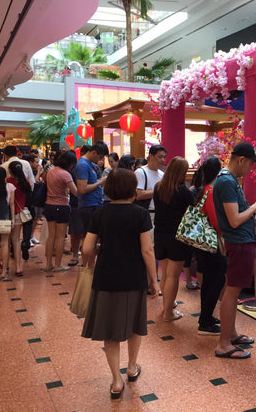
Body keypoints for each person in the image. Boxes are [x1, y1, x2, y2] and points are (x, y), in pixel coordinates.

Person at [81, 168, 158, 400]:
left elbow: (86, 249)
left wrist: (103, 250)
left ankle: (116, 381)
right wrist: (154, 280)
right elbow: (147, 250)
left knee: (110, 331)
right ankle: (132, 368)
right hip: (134, 277)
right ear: (132, 188)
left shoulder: (100, 214)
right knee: (135, 324)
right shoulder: (140, 214)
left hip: (106, 277)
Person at [212, 142, 256, 359]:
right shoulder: (227, 182)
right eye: (250, 164)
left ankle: (231, 333)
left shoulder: (228, 180)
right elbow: (235, 220)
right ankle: (223, 344)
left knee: (231, 287)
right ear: (241, 160)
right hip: (239, 242)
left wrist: (255, 210)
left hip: (240, 241)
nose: (250, 169)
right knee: (233, 291)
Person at [153, 156, 194, 321]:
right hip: (177, 236)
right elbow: (192, 211)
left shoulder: (158, 187)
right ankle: (168, 312)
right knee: (173, 276)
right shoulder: (183, 191)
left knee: (165, 274)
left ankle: (166, 306)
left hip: (160, 234)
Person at [193, 157, 228, 335]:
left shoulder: (203, 190)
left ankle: (205, 316)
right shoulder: (211, 192)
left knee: (209, 281)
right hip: (211, 244)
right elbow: (216, 222)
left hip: (203, 244)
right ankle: (205, 321)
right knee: (216, 280)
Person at [75, 140, 109, 267]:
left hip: (93, 204)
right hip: (88, 206)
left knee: (92, 238)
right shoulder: (83, 165)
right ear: (94, 152)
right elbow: (82, 189)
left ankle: (90, 265)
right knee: (89, 238)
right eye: (100, 157)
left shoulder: (89, 164)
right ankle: (87, 266)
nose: (100, 160)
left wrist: (99, 181)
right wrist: (100, 183)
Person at [44, 152, 78, 272]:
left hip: (48, 205)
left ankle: (48, 264)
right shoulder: (65, 174)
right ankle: (58, 265)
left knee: (51, 236)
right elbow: (76, 192)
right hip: (61, 206)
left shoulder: (50, 171)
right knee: (60, 238)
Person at [1, 145, 35, 260]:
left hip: (11, 199)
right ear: (17, 152)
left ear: (5, 155)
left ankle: (12, 248)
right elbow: (32, 181)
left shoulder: (3, 166)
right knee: (27, 220)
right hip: (25, 195)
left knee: (12, 225)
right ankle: (25, 241)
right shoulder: (25, 163)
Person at [7, 161, 33, 277]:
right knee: (16, 240)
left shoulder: (8, 182)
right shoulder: (25, 182)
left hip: (7, 214)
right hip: (19, 213)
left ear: (10, 171)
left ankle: (5, 263)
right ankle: (18, 267)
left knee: (6, 241)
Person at [134, 145, 167, 219]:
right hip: (146, 213)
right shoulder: (140, 172)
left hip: (159, 213)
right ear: (151, 156)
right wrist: (160, 191)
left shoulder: (162, 174)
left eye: (164, 157)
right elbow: (138, 195)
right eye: (160, 157)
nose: (163, 160)